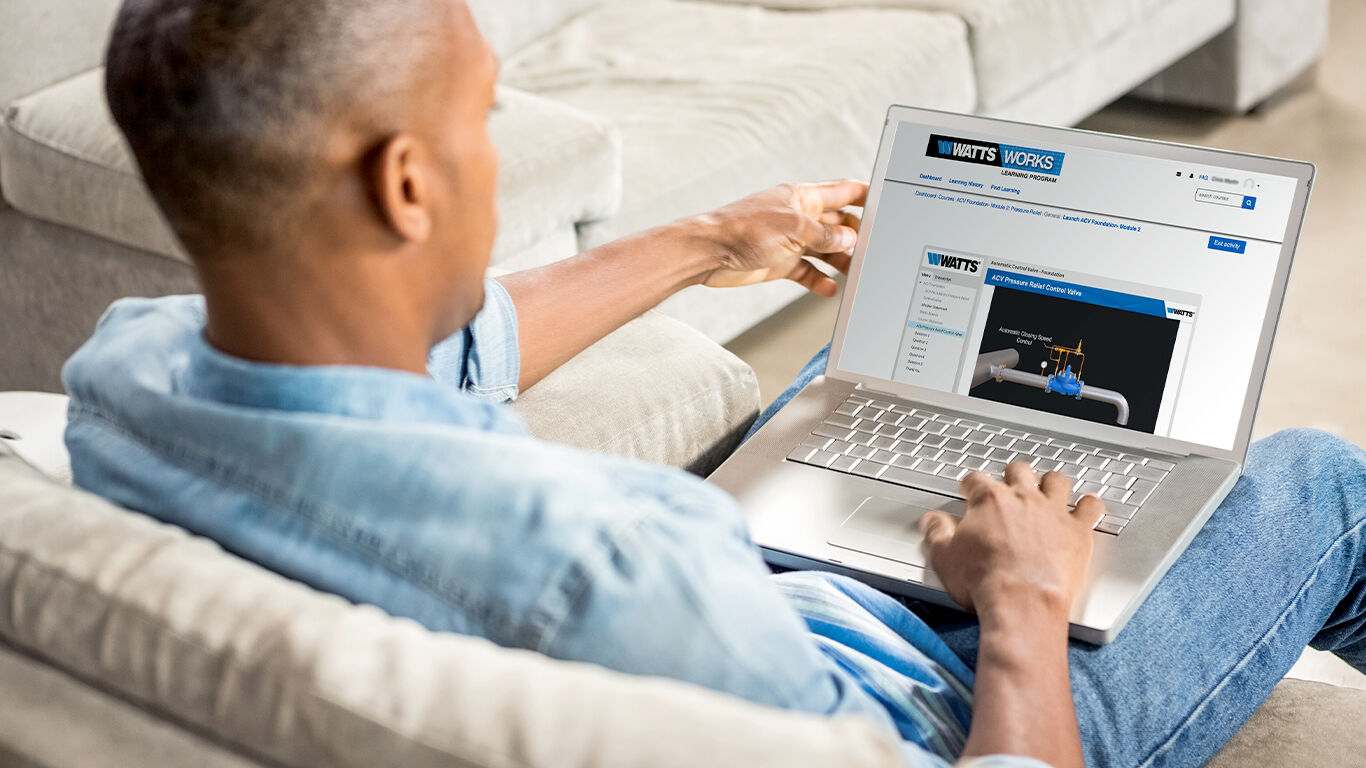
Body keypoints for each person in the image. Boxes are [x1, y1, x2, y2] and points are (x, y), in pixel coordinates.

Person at [63, 2, 1366, 767]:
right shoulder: (630, 563)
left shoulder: (127, 372)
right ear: (406, 184)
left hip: (764, 615)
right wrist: (1021, 603)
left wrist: (705, 243)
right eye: (481, 119)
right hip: (930, 695)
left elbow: (420, 353)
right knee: (1319, 483)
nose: (491, 150)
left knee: (851, 389)